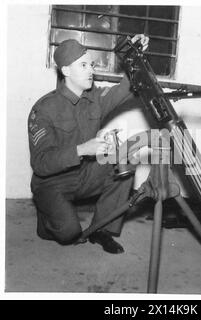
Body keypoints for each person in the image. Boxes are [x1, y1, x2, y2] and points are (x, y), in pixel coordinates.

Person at [28, 34, 149, 254]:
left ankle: (101, 229)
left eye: (91, 65)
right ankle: (47, 219)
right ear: (66, 71)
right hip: (52, 183)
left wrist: (135, 56)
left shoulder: (94, 99)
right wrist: (83, 149)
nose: (91, 70)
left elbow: (124, 89)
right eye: (83, 65)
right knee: (69, 233)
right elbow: (41, 163)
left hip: (84, 174)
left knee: (125, 162)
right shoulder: (44, 109)